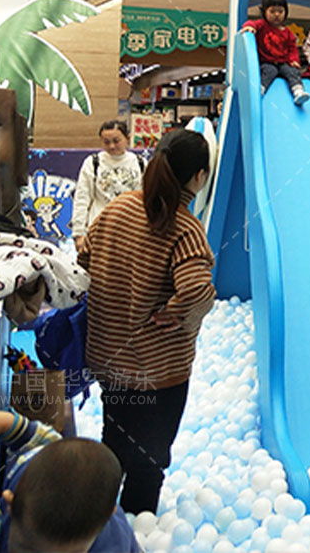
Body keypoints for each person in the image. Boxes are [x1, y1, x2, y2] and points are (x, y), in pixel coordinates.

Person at [79, 129, 215, 514]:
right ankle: (135, 527)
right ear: (199, 177)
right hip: (156, 372)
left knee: (115, 440)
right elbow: (197, 291)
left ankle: (98, 522)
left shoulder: (119, 207)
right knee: (149, 461)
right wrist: (177, 314)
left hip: (108, 359)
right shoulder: (184, 228)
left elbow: (85, 257)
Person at [0, 409, 140, 552]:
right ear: (10, 503)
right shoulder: (32, 469)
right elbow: (38, 439)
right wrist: (6, 423)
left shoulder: (114, 545)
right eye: (26, 551)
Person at [70, 119, 144, 254]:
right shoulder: (93, 163)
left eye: (116, 141)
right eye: (106, 142)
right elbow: (82, 198)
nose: (112, 146)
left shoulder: (140, 163)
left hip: (132, 230)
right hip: (99, 230)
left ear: (128, 138)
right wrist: (79, 233)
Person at [242, 0, 308, 106]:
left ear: (285, 13)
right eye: (272, 11)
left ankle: (297, 90)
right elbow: (252, 23)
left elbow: (292, 48)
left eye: (280, 11)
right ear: (264, 12)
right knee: (269, 71)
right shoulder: (262, 25)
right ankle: (260, 89)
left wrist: (294, 60)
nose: (277, 14)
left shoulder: (287, 32)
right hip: (267, 62)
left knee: (292, 71)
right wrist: (249, 27)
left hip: (283, 63)